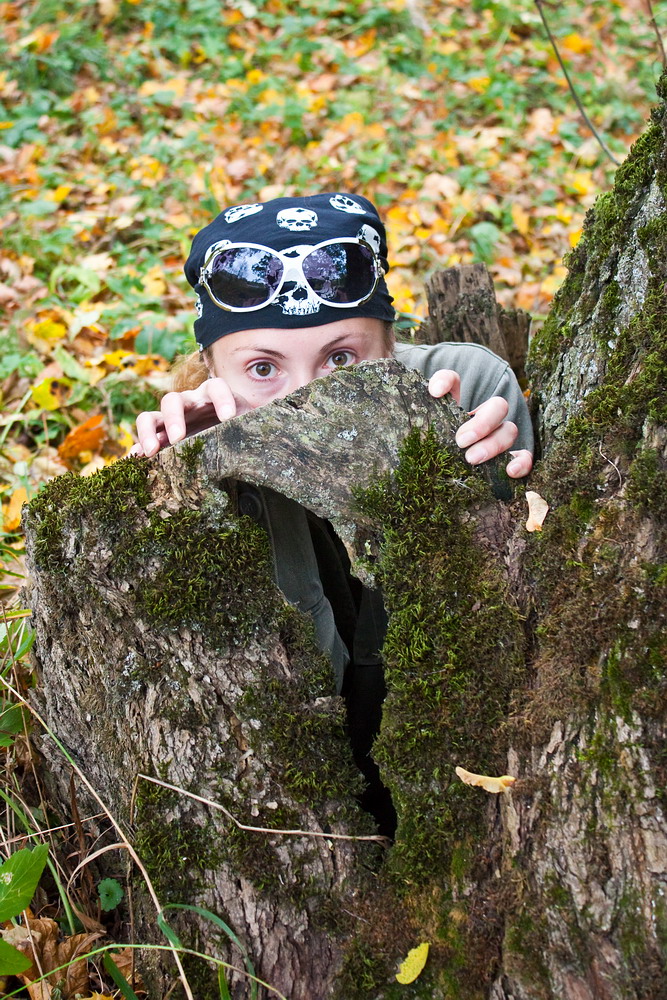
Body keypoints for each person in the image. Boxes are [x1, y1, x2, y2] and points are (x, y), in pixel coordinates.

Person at [132, 192, 533, 835]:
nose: (308, 398)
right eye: (263, 367)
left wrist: (468, 471)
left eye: (341, 359)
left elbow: (508, 628)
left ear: (390, 345)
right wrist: (182, 487)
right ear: (211, 368)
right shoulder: (203, 440)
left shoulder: (469, 388)